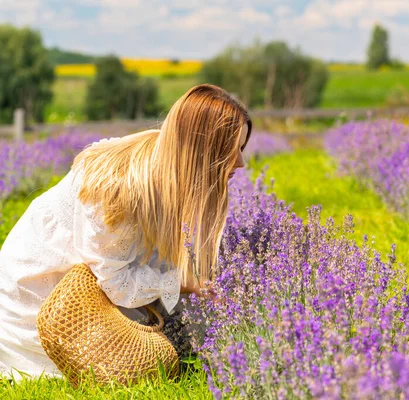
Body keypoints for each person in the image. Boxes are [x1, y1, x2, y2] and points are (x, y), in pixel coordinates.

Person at [0, 84, 252, 380]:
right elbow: (117, 283)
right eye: (232, 150)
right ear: (202, 150)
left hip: (85, 280)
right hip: (42, 294)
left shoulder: (165, 161)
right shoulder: (119, 187)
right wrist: (185, 283)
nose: (241, 162)